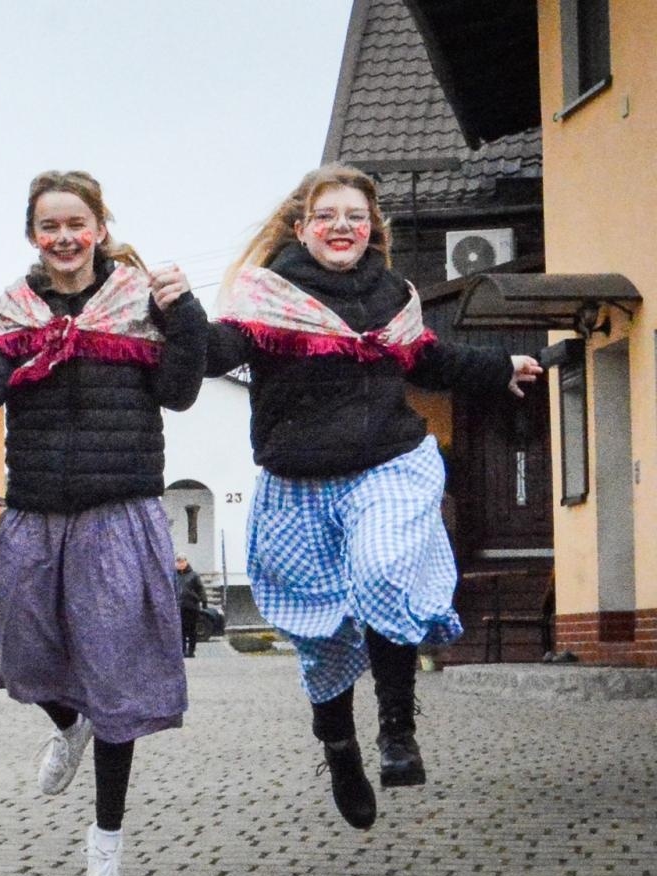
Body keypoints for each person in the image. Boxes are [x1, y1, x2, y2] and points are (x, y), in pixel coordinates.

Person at [204, 163, 543, 829]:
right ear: (302, 229)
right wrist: (175, 324)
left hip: (387, 463)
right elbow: (215, 352)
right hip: (298, 483)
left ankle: (396, 731)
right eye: (327, 215)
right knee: (321, 634)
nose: (342, 226)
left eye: (354, 216)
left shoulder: (393, 295)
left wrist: (499, 367)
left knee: (385, 569)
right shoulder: (268, 298)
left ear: (371, 229)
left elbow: (429, 358)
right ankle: (339, 746)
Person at [0, 171, 207, 876]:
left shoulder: (139, 303)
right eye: (49, 225)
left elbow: (182, 389)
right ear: (33, 234)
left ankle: (105, 845)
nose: (63, 237)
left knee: (116, 682)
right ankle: (67, 723)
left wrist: (184, 313)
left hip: (119, 514)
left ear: (98, 226)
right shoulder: (13, 312)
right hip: (33, 510)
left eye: (76, 222)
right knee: (16, 649)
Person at [175, 554, 207, 658]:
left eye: (182, 561)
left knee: (192, 630)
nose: (180, 564)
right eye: (178, 562)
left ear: (186, 562)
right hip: (179, 607)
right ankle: (182, 650)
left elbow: (200, 588)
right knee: (181, 630)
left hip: (192, 607)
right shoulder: (174, 576)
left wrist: (204, 601)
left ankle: (191, 651)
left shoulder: (194, 575)